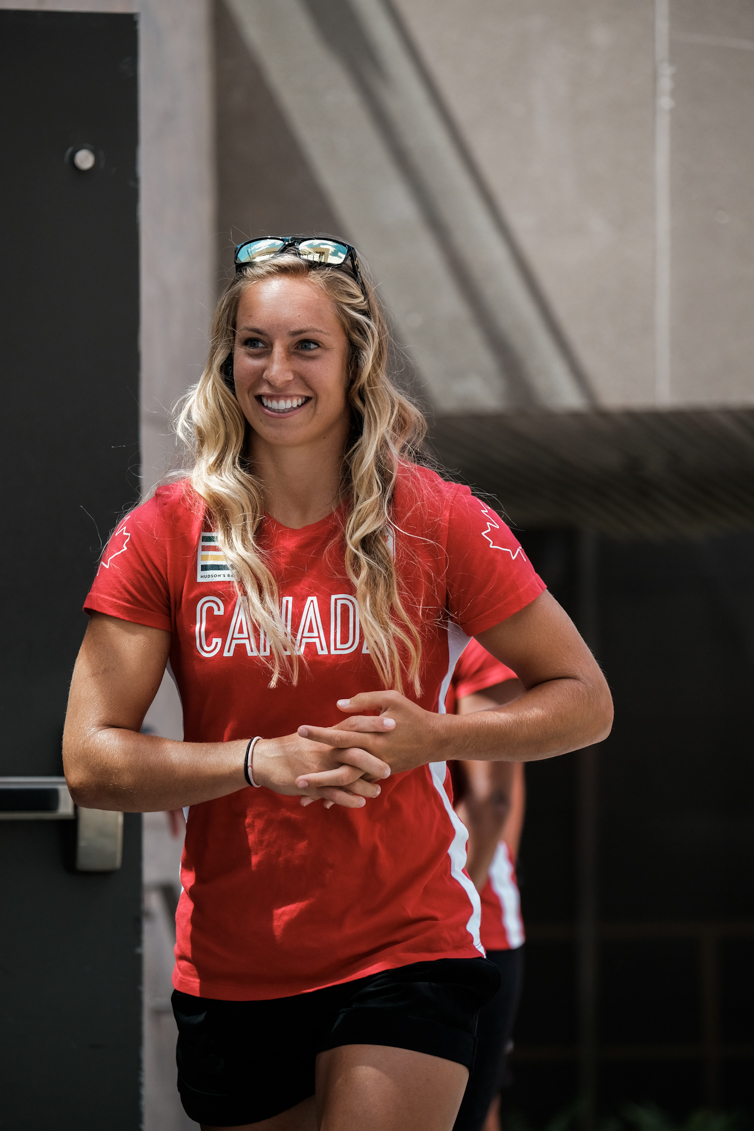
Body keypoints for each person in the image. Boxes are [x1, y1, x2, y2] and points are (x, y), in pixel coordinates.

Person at [63, 234, 613, 1131]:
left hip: (407, 942)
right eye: (254, 343)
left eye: (306, 344)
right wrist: (255, 759)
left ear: (357, 361)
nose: (276, 370)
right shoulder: (165, 528)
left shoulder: (438, 518)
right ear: (226, 358)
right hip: (237, 959)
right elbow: (90, 757)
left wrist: (438, 737)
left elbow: (585, 699)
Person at [447, 641, 526, 1131]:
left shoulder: (480, 648)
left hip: (469, 925)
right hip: (453, 917)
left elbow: (494, 800)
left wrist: (458, 910)